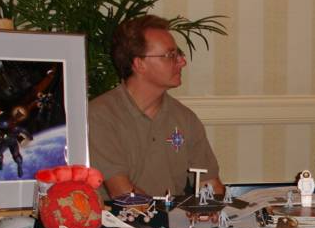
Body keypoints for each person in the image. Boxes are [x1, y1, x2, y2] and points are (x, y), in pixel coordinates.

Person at [89, 15, 224, 200]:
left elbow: (209, 184)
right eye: (171, 55)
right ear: (139, 64)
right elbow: (123, 194)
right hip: (117, 225)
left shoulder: (185, 119)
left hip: (172, 223)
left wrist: (212, 211)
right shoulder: (99, 116)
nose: (182, 62)